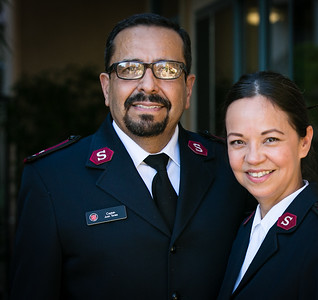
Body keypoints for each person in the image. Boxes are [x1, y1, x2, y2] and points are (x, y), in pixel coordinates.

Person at [9, 13, 255, 299]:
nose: (148, 86)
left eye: (167, 69)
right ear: (106, 86)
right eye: (129, 68)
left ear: (187, 89)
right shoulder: (51, 179)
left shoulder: (229, 165)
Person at [217, 71, 318, 300]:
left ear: (304, 142)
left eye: (270, 139)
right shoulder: (242, 231)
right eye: (238, 142)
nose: (253, 158)